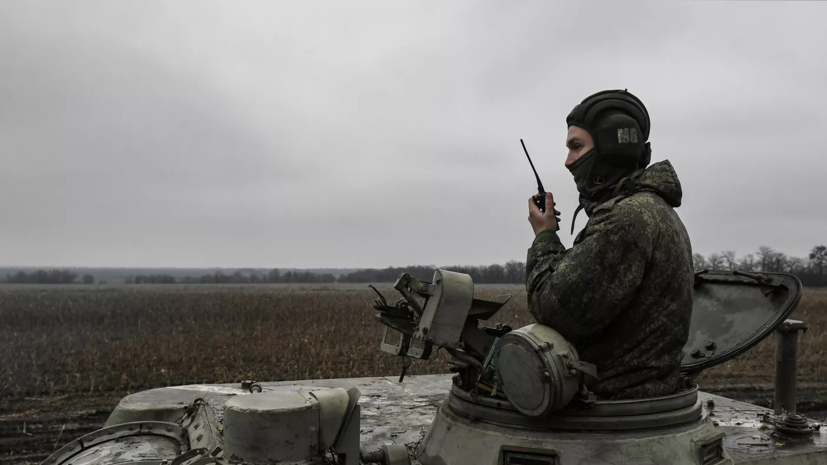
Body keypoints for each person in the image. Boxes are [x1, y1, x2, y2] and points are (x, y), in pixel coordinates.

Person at [525, 89, 694, 400]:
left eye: (576, 147)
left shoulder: (625, 220)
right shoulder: (651, 209)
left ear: (610, 149)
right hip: (642, 400)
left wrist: (544, 236)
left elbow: (553, 310)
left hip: (617, 406)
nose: (568, 161)